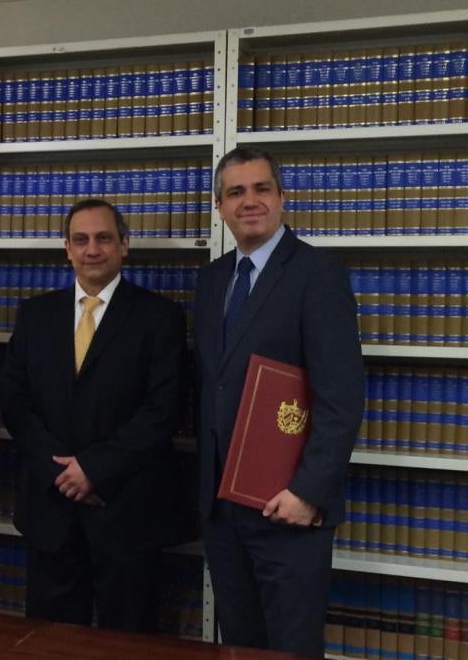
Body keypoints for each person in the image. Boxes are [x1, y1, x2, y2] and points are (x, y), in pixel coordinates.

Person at [194, 146, 364, 657]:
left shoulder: (318, 273)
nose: (250, 201)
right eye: (235, 192)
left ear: (282, 198)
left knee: (291, 647)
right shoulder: (212, 280)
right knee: (240, 644)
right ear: (220, 207)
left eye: (261, 188)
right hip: (223, 506)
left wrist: (307, 491)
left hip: (289, 509)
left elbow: (341, 396)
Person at [0, 198, 186, 633]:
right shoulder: (35, 314)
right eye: (80, 240)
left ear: (124, 245)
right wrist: (64, 474)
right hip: (51, 511)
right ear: (66, 248)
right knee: (50, 642)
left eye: (104, 238)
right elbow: (15, 402)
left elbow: (164, 411)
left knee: (130, 641)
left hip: (127, 510)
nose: (92, 249)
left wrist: (94, 470)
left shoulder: (160, 316)